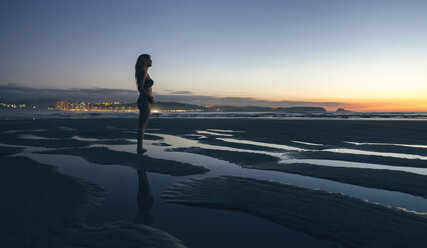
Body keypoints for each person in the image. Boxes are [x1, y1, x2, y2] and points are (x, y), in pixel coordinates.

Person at [135, 54, 154, 154]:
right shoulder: (143, 72)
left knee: (143, 124)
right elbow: (140, 88)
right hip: (144, 100)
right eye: (150, 59)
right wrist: (149, 97)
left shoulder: (144, 72)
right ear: (145, 61)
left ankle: (140, 147)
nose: (151, 61)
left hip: (144, 100)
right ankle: (139, 148)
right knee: (142, 125)